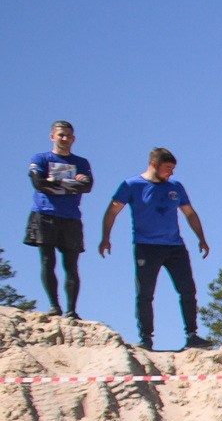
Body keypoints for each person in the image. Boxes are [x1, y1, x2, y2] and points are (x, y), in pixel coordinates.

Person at [99, 148, 211, 351]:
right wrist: (106, 237)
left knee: (187, 289)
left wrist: (201, 238)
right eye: (168, 168)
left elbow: (190, 213)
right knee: (146, 293)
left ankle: (192, 335)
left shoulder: (175, 187)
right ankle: (146, 338)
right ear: (154, 164)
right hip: (147, 246)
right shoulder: (132, 185)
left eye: (173, 168)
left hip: (175, 246)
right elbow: (113, 210)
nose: (172, 173)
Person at [25, 120, 93, 318]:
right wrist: (71, 183)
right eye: (61, 135)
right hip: (44, 213)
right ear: (52, 136)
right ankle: (54, 305)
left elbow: (87, 187)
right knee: (47, 261)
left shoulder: (81, 162)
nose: (64, 138)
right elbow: (38, 184)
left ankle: (72, 310)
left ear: (73, 138)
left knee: (71, 265)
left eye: (68, 135)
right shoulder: (40, 158)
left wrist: (53, 181)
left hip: (70, 217)